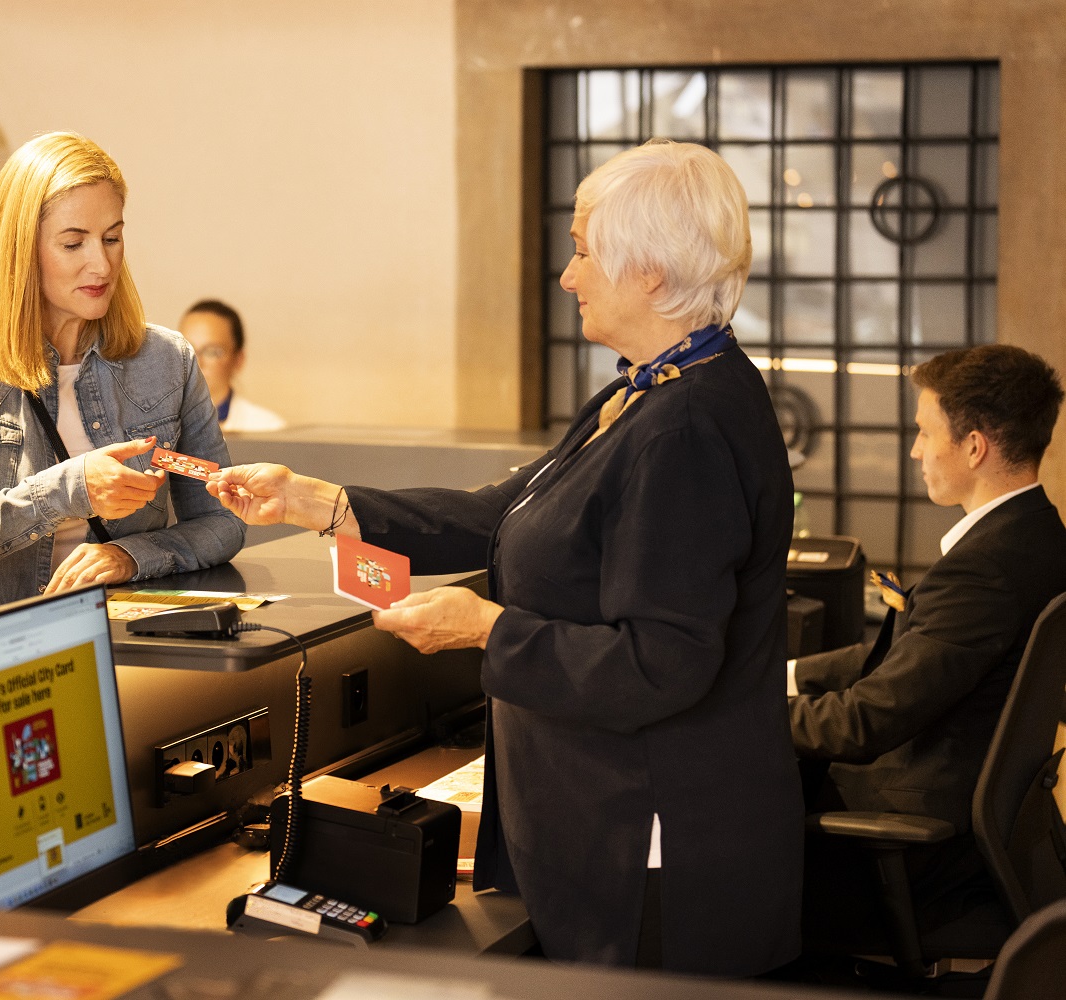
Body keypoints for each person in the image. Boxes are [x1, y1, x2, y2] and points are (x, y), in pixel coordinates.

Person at [206, 140, 803, 974]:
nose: (568, 275)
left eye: (585, 251)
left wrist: (488, 628)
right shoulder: (650, 385)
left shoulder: (686, 427)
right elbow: (506, 514)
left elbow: (662, 662)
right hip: (596, 814)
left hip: (655, 846)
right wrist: (321, 504)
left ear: (652, 274)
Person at [789, 345, 1066, 940]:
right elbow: (911, 653)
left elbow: (862, 724)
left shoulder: (982, 571)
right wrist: (789, 676)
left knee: (717, 865)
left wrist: (742, 711)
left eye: (924, 431)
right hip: (977, 826)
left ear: (973, 446)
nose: (915, 450)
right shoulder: (1037, 537)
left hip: (918, 853)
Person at [0, 133, 244, 605]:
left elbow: (222, 522)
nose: (101, 264)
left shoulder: (168, 360)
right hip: (3, 641)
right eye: (72, 243)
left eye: (112, 238)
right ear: (20, 249)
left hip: (129, 638)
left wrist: (131, 556)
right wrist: (69, 489)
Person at [179, 300, 286, 432]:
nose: (196, 362)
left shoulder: (268, 429)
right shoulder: (153, 423)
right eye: (186, 349)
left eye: (212, 352)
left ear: (238, 360)